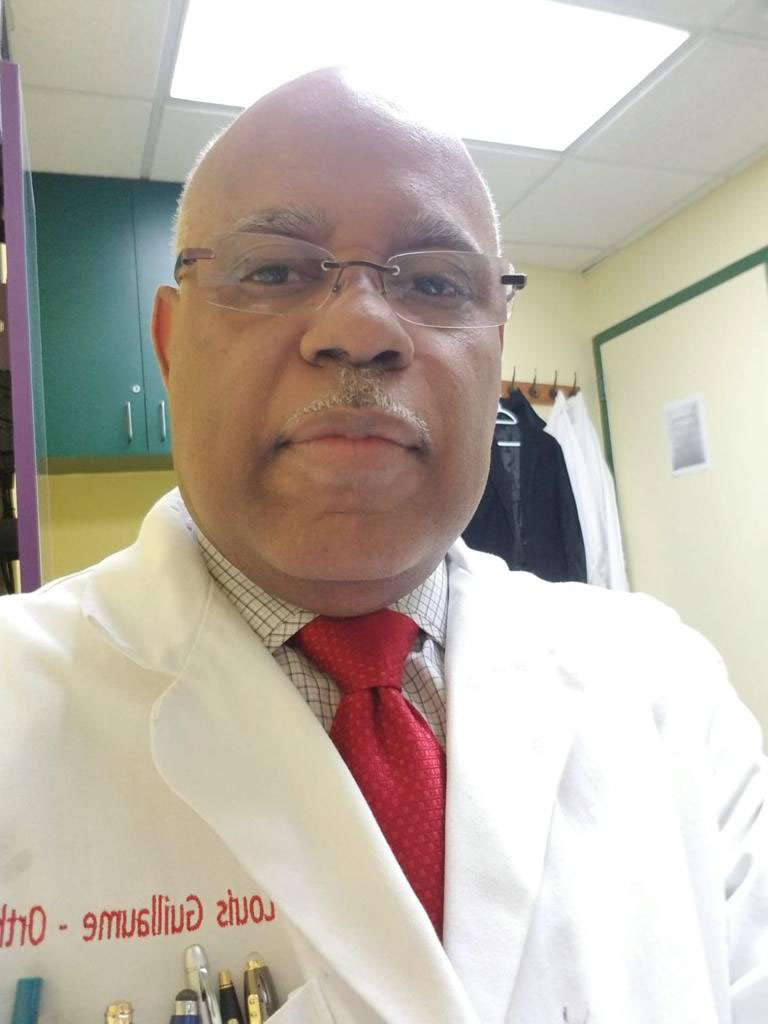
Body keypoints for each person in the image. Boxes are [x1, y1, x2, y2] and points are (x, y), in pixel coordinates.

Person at [1, 68, 766, 1024]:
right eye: (274, 271)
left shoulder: (670, 695)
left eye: (435, 282)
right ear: (168, 345)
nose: (361, 328)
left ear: (496, 350)